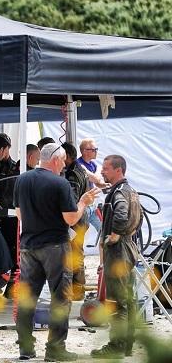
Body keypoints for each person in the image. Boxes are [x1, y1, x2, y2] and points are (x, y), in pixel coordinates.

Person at [13, 143, 100, 361]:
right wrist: (83, 202)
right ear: (54, 159)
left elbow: (19, 214)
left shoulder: (22, 180)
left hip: (29, 246)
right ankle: (55, 349)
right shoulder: (60, 183)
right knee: (60, 298)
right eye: (62, 160)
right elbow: (71, 218)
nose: (64, 164)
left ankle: (25, 348)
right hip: (55, 247)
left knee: (27, 298)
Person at [91, 155, 143, 359]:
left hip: (119, 251)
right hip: (129, 248)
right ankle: (127, 344)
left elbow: (121, 215)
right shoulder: (131, 191)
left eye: (106, 168)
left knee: (116, 300)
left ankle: (116, 346)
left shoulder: (119, 193)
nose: (102, 171)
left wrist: (114, 236)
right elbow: (138, 218)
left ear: (118, 170)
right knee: (127, 299)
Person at [61, 142, 91, 300]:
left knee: (75, 254)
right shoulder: (80, 169)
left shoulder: (72, 174)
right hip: (80, 219)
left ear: (67, 156)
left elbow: (71, 201)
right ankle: (76, 290)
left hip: (76, 221)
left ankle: (77, 291)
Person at [77, 138, 108, 235]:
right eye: (94, 150)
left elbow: (97, 182)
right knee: (78, 235)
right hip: (83, 207)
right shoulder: (78, 165)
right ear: (84, 151)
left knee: (104, 231)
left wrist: (106, 185)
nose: (96, 152)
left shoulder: (93, 165)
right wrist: (100, 178)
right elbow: (96, 179)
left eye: (96, 149)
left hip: (92, 206)